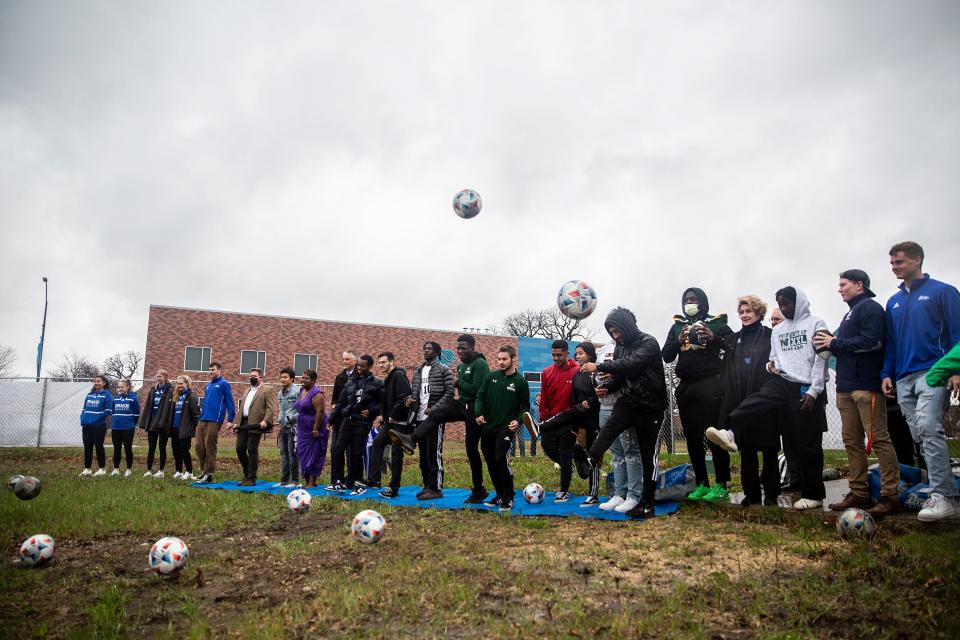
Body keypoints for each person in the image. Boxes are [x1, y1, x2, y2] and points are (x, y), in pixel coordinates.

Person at [709, 287, 829, 510]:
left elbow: (821, 359)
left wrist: (814, 390)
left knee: (804, 442)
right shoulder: (778, 331)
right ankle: (731, 431)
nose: (784, 308)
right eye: (781, 304)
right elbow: (775, 357)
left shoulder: (814, 324)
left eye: (787, 304)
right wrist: (770, 365)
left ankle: (810, 493)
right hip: (781, 382)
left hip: (804, 386)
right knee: (759, 400)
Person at [881, 241, 960, 522]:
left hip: (933, 372)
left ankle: (943, 497)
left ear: (917, 260)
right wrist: (886, 374)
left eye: (899, 262)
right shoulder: (893, 301)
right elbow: (891, 343)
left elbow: (956, 334)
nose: (894, 268)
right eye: (891, 263)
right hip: (903, 378)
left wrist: (955, 370)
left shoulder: (944, 292)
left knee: (929, 427)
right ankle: (946, 489)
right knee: (920, 435)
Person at [813, 270, 901, 515]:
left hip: (866, 385)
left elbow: (873, 342)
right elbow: (843, 347)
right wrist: (828, 343)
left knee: (879, 439)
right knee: (851, 441)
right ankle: (859, 492)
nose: (839, 289)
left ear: (859, 285)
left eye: (843, 284)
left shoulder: (870, 308)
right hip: (846, 387)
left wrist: (835, 343)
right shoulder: (848, 315)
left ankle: (890, 495)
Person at [578, 307, 668, 519]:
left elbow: (632, 362)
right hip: (629, 400)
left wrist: (598, 366)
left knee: (648, 456)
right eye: (611, 332)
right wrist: (607, 388)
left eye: (617, 331)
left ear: (627, 326)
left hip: (652, 407)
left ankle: (646, 503)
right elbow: (621, 374)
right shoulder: (619, 346)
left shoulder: (649, 342)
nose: (615, 336)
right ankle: (589, 460)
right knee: (609, 428)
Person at [390, 335, 490, 502]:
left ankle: (479, 489)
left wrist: (459, 383)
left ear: (473, 348)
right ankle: (411, 439)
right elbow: (464, 388)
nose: (460, 351)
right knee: (438, 412)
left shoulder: (480, 364)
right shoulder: (462, 365)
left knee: (471, 450)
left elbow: (478, 390)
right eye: (458, 348)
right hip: (463, 405)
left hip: (476, 410)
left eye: (463, 348)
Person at [707, 296, 780, 506]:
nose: (745, 315)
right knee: (746, 450)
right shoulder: (733, 340)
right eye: (742, 312)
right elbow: (726, 369)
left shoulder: (770, 335)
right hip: (739, 401)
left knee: (768, 451)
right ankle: (752, 494)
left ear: (758, 313)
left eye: (749, 311)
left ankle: (772, 495)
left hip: (764, 401)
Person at [661, 287, 733, 503]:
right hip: (686, 386)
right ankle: (702, 483)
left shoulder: (717, 323)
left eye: (693, 299)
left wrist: (713, 338)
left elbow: (732, 346)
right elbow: (666, 355)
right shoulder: (677, 326)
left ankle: (721, 484)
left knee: (713, 434)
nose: (689, 303)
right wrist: (677, 340)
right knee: (692, 437)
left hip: (710, 382)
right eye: (686, 300)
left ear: (702, 302)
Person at [531, 342, 602, 505]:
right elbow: (546, 398)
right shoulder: (551, 372)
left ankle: (567, 490)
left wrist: (588, 403)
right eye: (553, 355)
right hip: (556, 419)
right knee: (550, 450)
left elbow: (598, 392)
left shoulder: (580, 371)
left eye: (559, 355)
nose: (556, 358)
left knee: (571, 454)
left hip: (574, 421)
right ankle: (576, 457)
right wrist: (544, 417)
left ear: (566, 354)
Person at [392, 342, 454, 500]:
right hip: (419, 418)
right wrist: (408, 401)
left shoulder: (443, 369)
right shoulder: (419, 371)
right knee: (424, 457)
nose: (425, 351)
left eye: (429, 349)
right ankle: (428, 486)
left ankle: (437, 488)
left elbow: (449, 393)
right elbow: (414, 393)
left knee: (434, 455)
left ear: (437, 352)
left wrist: (435, 408)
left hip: (434, 418)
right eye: (424, 349)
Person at [476, 345, 530, 510]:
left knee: (500, 458)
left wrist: (518, 420)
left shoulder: (520, 381)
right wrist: (478, 413)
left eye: (504, 359)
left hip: (505, 429)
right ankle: (499, 495)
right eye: (499, 359)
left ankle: (509, 496)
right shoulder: (491, 377)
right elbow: (480, 395)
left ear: (513, 359)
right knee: (491, 461)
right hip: (487, 427)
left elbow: (524, 407)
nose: (501, 362)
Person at [596, 341, 645, 513]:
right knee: (616, 453)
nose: (614, 334)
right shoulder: (600, 351)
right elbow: (597, 377)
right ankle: (619, 493)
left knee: (631, 451)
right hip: (605, 407)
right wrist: (601, 384)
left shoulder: (630, 349)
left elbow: (628, 373)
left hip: (624, 406)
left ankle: (634, 495)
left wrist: (614, 377)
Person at [327, 355, 383, 494]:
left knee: (356, 453)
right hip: (348, 420)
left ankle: (359, 484)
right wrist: (330, 420)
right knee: (337, 449)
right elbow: (340, 402)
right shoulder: (350, 381)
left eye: (362, 366)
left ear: (370, 367)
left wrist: (371, 411)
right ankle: (338, 482)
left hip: (362, 422)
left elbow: (383, 403)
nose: (359, 368)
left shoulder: (377, 383)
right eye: (358, 365)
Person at [367, 352, 412, 495]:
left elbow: (405, 397)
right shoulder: (388, 378)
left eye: (383, 362)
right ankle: (374, 480)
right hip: (389, 421)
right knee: (377, 444)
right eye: (379, 362)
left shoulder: (398, 375)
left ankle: (394, 488)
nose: (380, 365)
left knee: (396, 454)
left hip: (400, 422)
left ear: (392, 362)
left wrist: (393, 415)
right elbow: (387, 400)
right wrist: (384, 415)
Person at [234, 367, 277, 486]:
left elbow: (271, 407)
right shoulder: (247, 390)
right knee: (239, 449)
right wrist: (236, 423)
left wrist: (266, 420)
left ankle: (252, 478)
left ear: (260, 378)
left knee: (252, 449)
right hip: (244, 423)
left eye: (254, 376)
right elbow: (242, 408)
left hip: (257, 424)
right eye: (250, 376)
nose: (251, 378)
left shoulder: (267, 389)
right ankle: (246, 474)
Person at [195, 362, 235, 483]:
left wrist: (230, 419)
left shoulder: (224, 384)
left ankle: (209, 473)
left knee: (209, 446)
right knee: (198, 446)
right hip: (203, 419)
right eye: (209, 369)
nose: (210, 371)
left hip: (215, 420)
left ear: (219, 370)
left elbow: (230, 402)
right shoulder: (208, 385)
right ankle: (203, 471)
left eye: (213, 369)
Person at [138, 369, 173, 478]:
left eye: (161, 376)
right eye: (157, 376)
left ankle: (161, 471)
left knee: (162, 447)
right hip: (152, 422)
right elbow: (148, 406)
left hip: (163, 423)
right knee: (151, 447)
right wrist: (145, 421)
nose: (158, 378)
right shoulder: (153, 390)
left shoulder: (169, 390)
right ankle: (148, 470)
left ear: (165, 378)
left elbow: (170, 408)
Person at [295, 369, 327, 488]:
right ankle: (307, 480)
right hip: (302, 426)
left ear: (313, 381)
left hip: (313, 426)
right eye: (303, 377)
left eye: (306, 378)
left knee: (313, 453)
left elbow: (320, 412)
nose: (303, 380)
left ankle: (312, 482)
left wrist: (315, 429)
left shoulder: (317, 394)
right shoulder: (301, 390)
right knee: (302, 453)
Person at [329, 351, 357, 479]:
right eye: (343, 359)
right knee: (335, 450)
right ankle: (337, 479)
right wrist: (334, 405)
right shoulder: (339, 377)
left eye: (347, 359)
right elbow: (334, 398)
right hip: (339, 420)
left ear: (355, 360)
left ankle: (351, 479)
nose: (344, 361)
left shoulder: (360, 376)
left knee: (351, 452)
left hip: (353, 420)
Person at [79, 374, 113, 477]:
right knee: (87, 447)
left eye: (99, 381)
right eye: (95, 381)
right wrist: (83, 418)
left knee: (99, 447)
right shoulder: (90, 394)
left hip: (98, 426)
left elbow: (108, 411)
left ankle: (102, 469)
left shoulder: (107, 395)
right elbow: (84, 409)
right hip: (86, 425)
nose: (96, 383)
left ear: (104, 383)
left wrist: (96, 419)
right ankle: (87, 469)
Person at [170, 375, 200, 480]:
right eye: (178, 384)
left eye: (181, 383)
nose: (179, 386)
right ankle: (178, 471)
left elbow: (195, 413)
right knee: (175, 450)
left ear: (187, 383)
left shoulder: (191, 396)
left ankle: (189, 471)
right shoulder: (176, 396)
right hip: (175, 428)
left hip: (185, 428)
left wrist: (197, 427)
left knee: (184, 450)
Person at [276, 367, 301, 487]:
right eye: (281, 377)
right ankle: (284, 481)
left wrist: (293, 418)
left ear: (292, 379)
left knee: (292, 454)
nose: (283, 379)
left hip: (293, 428)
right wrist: (279, 418)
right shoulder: (280, 393)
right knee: (283, 455)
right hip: (283, 427)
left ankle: (295, 480)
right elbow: (281, 409)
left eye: (285, 377)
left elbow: (302, 409)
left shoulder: (298, 391)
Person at [109, 379, 139, 477]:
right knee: (116, 449)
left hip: (128, 428)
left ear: (127, 387)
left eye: (122, 387)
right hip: (116, 427)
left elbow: (136, 414)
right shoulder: (116, 398)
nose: (120, 389)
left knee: (127, 448)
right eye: (119, 387)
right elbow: (113, 412)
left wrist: (130, 424)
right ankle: (116, 469)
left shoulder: (133, 398)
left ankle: (128, 469)